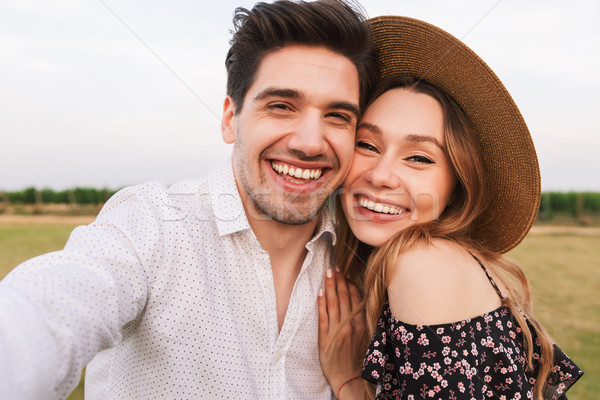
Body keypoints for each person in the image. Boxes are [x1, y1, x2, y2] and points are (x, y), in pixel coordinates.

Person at [0, 1, 377, 399]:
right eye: (281, 106)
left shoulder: (363, 264)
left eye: (337, 116)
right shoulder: (153, 227)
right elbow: (46, 311)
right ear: (231, 119)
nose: (309, 142)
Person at [318, 16, 583, 399]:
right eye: (368, 145)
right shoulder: (446, 259)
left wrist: (347, 383)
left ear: (457, 184)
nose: (380, 175)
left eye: (419, 158)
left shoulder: (422, 264)